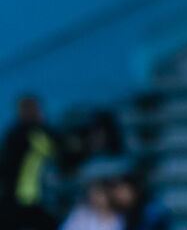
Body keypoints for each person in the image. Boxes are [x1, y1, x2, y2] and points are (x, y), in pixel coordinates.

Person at [2, 95, 57, 230]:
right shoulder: (30, 132)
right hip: (26, 193)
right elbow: (53, 151)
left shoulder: (17, 132)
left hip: (27, 194)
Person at [57, 181, 122, 230]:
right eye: (92, 195)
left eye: (99, 194)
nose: (95, 198)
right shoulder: (81, 212)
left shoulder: (118, 219)